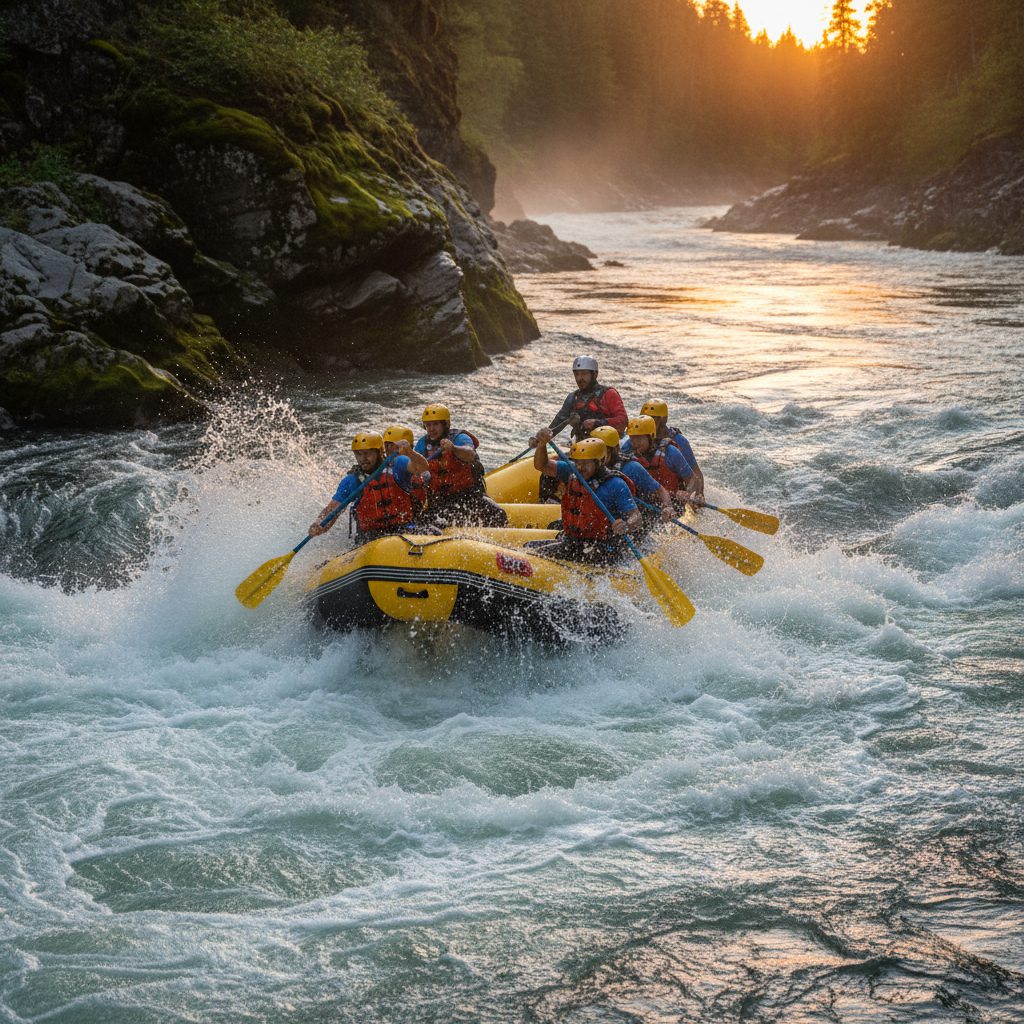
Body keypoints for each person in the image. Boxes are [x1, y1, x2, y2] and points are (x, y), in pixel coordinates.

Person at [528, 430, 642, 564]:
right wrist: (542, 444)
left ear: (599, 462)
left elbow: (637, 518)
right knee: (529, 547)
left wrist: (626, 525)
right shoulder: (572, 472)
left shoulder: (615, 484)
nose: (580, 467)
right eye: (578, 462)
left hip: (601, 548)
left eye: (586, 463)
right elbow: (542, 465)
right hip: (574, 542)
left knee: (533, 555)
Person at [309, 431, 430, 542]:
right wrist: (319, 524)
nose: (362, 459)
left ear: (379, 452)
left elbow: (422, 467)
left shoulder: (398, 464)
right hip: (370, 537)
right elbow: (333, 509)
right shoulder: (352, 481)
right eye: (358, 454)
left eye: (367, 454)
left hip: (404, 530)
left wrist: (410, 452)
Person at [415, 403, 508, 527]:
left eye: (436, 424)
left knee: (498, 514)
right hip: (440, 501)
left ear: (446, 424)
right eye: (428, 425)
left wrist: (453, 448)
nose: (431, 429)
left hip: (469, 497)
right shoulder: (422, 444)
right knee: (423, 522)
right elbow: (414, 467)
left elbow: (470, 454)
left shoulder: (459, 438)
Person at [589, 425, 675, 531]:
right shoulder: (587, 467)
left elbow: (660, 490)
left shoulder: (631, 468)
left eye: (602, 450)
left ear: (615, 449)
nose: (596, 455)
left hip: (637, 520)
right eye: (593, 450)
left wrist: (668, 507)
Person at [530, 355, 628, 445]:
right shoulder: (572, 398)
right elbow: (556, 425)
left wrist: (597, 423)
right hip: (583, 447)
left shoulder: (608, 394)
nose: (579, 378)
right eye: (576, 374)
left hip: (608, 446)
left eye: (584, 374)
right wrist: (540, 438)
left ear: (594, 374)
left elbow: (623, 421)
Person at [621, 415, 702, 508]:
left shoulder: (670, 452)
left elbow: (692, 479)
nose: (634, 443)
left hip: (674, 501)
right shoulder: (627, 453)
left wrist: (688, 492)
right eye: (632, 438)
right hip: (645, 504)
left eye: (638, 438)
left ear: (651, 437)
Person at [635, 399, 705, 500]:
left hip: (676, 495)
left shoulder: (679, 441)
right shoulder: (636, 440)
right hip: (649, 495)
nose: (648, 423)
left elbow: (696, 474)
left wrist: (697, 494)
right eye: (645, 419)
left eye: (652, 419)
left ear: (663, 420)